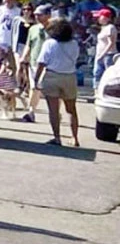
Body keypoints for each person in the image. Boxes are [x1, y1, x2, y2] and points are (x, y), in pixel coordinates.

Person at [37, 17, 82, 147]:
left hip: (52, 76)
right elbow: (76, 58)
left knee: (53, 110)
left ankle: (57, 137)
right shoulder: (74, 43)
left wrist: (36, 79)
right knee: (71, 109)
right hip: (69, 76)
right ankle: (75, 137)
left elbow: (42, 62)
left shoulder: (49, 43)